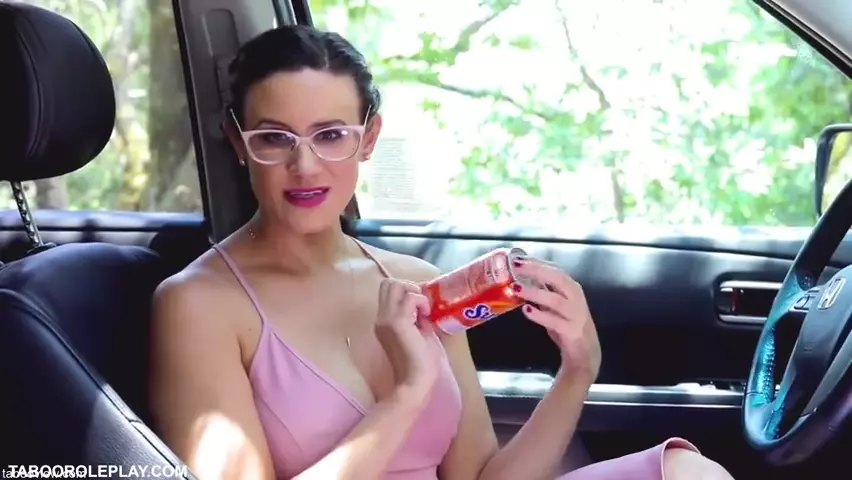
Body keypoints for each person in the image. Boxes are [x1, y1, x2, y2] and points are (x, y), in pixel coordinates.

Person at [147, 24, 735, 480]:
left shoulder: (418, 281)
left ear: (368, 139)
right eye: (275, 138)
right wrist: (407, 393)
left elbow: (479, 476)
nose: (305, 165)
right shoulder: (198, 304)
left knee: (688, 471)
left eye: (331, 135)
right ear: (238, 142)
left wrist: (578, 370)